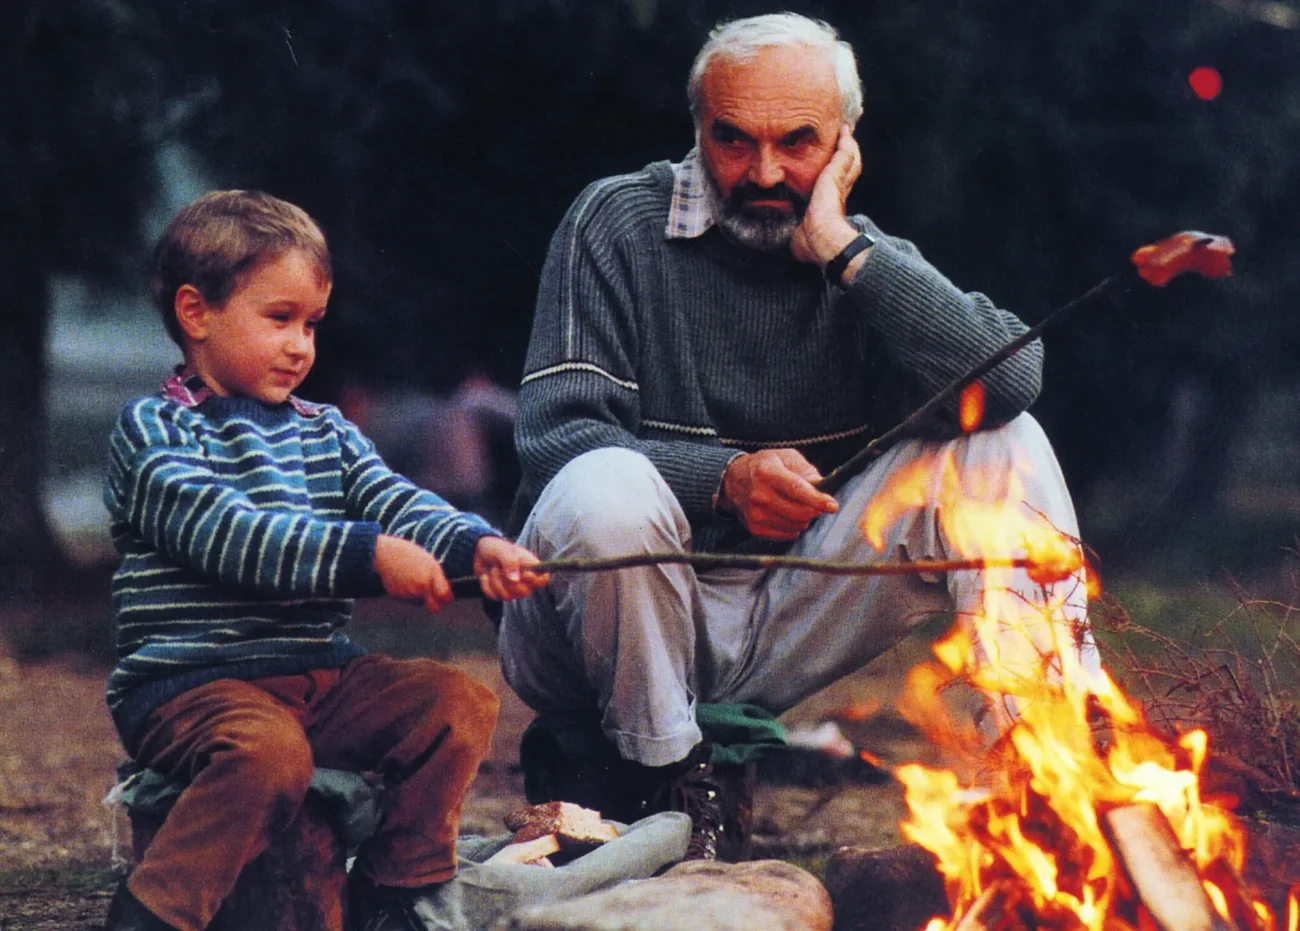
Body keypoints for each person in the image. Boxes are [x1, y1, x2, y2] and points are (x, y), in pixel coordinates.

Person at [499, 13, 1100, 860]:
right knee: (607, 485)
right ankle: (670, 782)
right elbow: (557, 440)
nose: (765, 171)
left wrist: (843, 250)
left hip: (781, 612)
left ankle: (1049, 765)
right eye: (733, 140)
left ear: (845, 147)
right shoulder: (616, 223)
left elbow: (1009, 382)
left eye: (798, 143)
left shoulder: (861, 260)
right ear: (698, 127)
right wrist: (726, 478)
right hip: (594, 614)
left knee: (1002, 447)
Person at [101, 190, 549, 931]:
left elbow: (396, 500)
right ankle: (154, 909)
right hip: (192, 684)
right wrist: (367, 555)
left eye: (311, 324)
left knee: (454, 703)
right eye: (279, 319)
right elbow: (230, 534)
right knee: (271, 757)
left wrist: (476, 544)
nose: (301, 345)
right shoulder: (154, 431)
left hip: (319, 677)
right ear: (196, 312)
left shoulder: (326, 432)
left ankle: (398, 889)